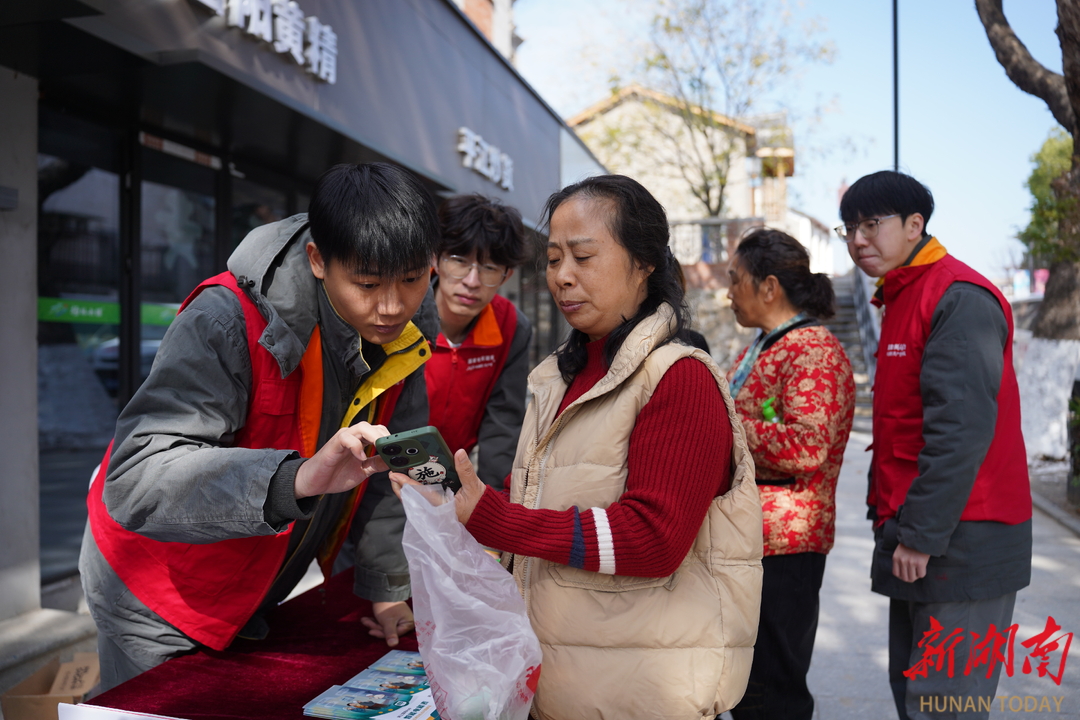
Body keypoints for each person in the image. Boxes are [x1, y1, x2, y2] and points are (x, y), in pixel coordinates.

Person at [393, 175, 763, 719]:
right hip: (567, 684)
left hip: (640, 696)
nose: (563, 277)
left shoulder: (680, 378)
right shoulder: (562, 375)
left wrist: (496, 519)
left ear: (645, 264)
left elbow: (655, 538)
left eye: (584, 257)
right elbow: (542, 509)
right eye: (552, 258)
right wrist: (455, 509)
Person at [80, 162, 441, 691]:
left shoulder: (406, 327)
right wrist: (298, 478)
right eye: (367, 283)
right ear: (318, 260)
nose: (391, 306)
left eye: (412, 280)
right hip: (154, 590)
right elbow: (136, 477)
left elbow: (396, 469)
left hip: (258, 582)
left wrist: (386, 585)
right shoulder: (225, 318)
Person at [839, 171, 1031, 719]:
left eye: (871, 225)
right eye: (848, 228)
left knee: (945, 706)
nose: (857, 240)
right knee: (918, 699)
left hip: (964, 538)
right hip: (923, 535)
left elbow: (961, 431)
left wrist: (919, 535)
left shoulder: (957, 297)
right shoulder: (902, 295)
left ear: (915, 225)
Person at [724, 228, 855, 720]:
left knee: (773, 686)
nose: (728, 293)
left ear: (769, 287)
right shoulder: (762, 345)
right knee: (749, 682)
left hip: (787, 545)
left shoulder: (812, 351)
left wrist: (725, 423)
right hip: (754, 539)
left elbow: (808, 446)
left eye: (736, 281)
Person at [426, 194, 532, 489]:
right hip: (382, 475)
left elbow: (503, 424)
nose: (472, 281)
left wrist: (491, 508)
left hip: (450, 479)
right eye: (459, 261)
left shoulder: (511, 326)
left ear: (505, 275)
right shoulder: (401, 314)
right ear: (435, 258)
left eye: (488, 268)